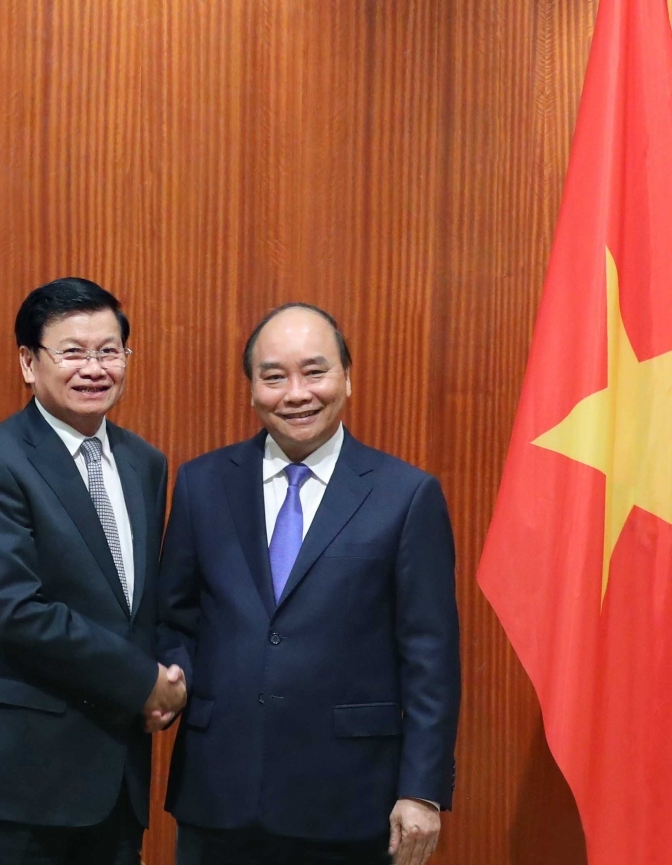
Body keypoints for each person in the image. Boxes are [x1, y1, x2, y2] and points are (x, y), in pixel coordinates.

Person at [158, 303, 460, 865]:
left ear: (347, 376)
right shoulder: (202, 483)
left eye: (315, 372)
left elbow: (430, 657)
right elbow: (176, 618)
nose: (296, 393)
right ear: (251, 389)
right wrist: (172, 678)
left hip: (349, 801)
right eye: (274, 376)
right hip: (219, 795)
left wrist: (421, 790)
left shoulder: (405, 494)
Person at [0, 277, 186, 865]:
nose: (94, 368)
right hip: (14, 780)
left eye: (109, 351)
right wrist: (143, 681)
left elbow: (139, 605)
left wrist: (172, 674)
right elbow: (14, 611)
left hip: (115, 778)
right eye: (72, 352)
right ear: (28, 362)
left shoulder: (145, 462)